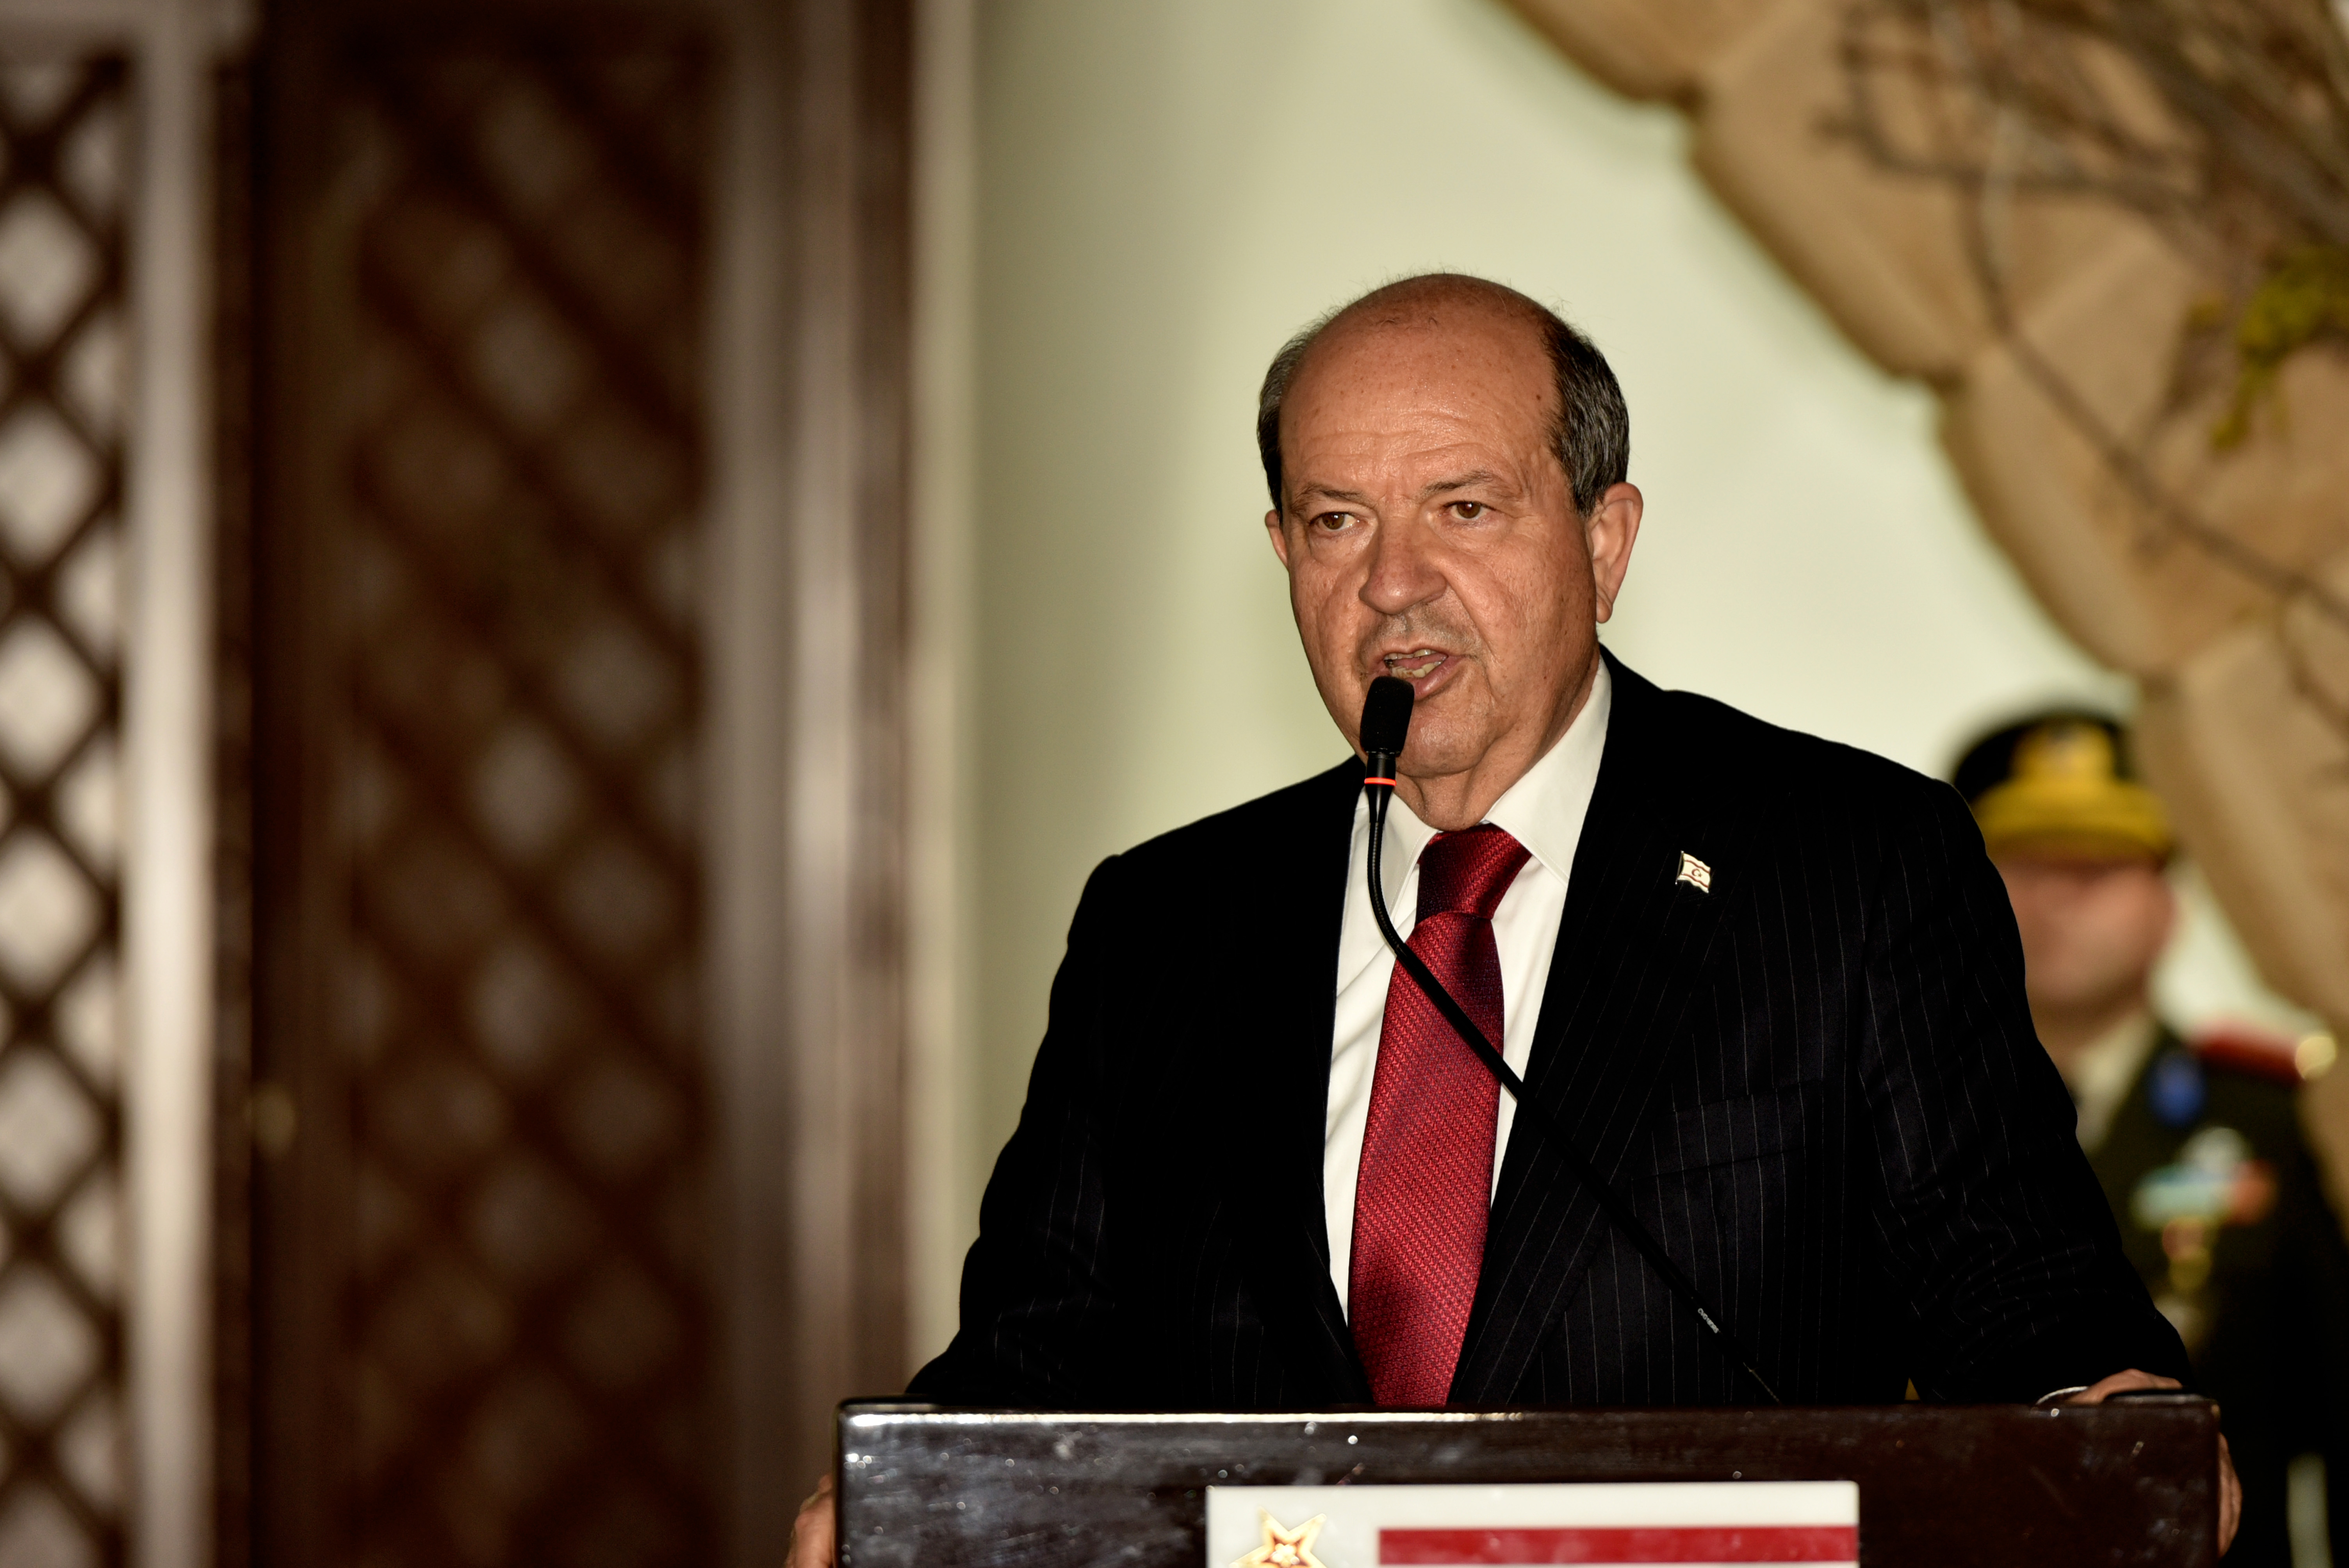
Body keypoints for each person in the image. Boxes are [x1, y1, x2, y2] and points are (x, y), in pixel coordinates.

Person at [787, 274, 2235, 1564]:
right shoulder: (1165, 923)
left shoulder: (1847, 868)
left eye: (1463, 508)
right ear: (1282, 550)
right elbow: (1042, 1349)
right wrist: (911, 1492)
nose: (1391, 582)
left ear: (1605, 541)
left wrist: (2105, 1412)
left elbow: (2014, 1288)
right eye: (1336, 521)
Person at [1956, 712, 2347, 1565]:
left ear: (2171, 901)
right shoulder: (1882, 1123)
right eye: (2023, 863)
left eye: (2096, 868)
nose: (2057, 900)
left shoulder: (2281, 1123)